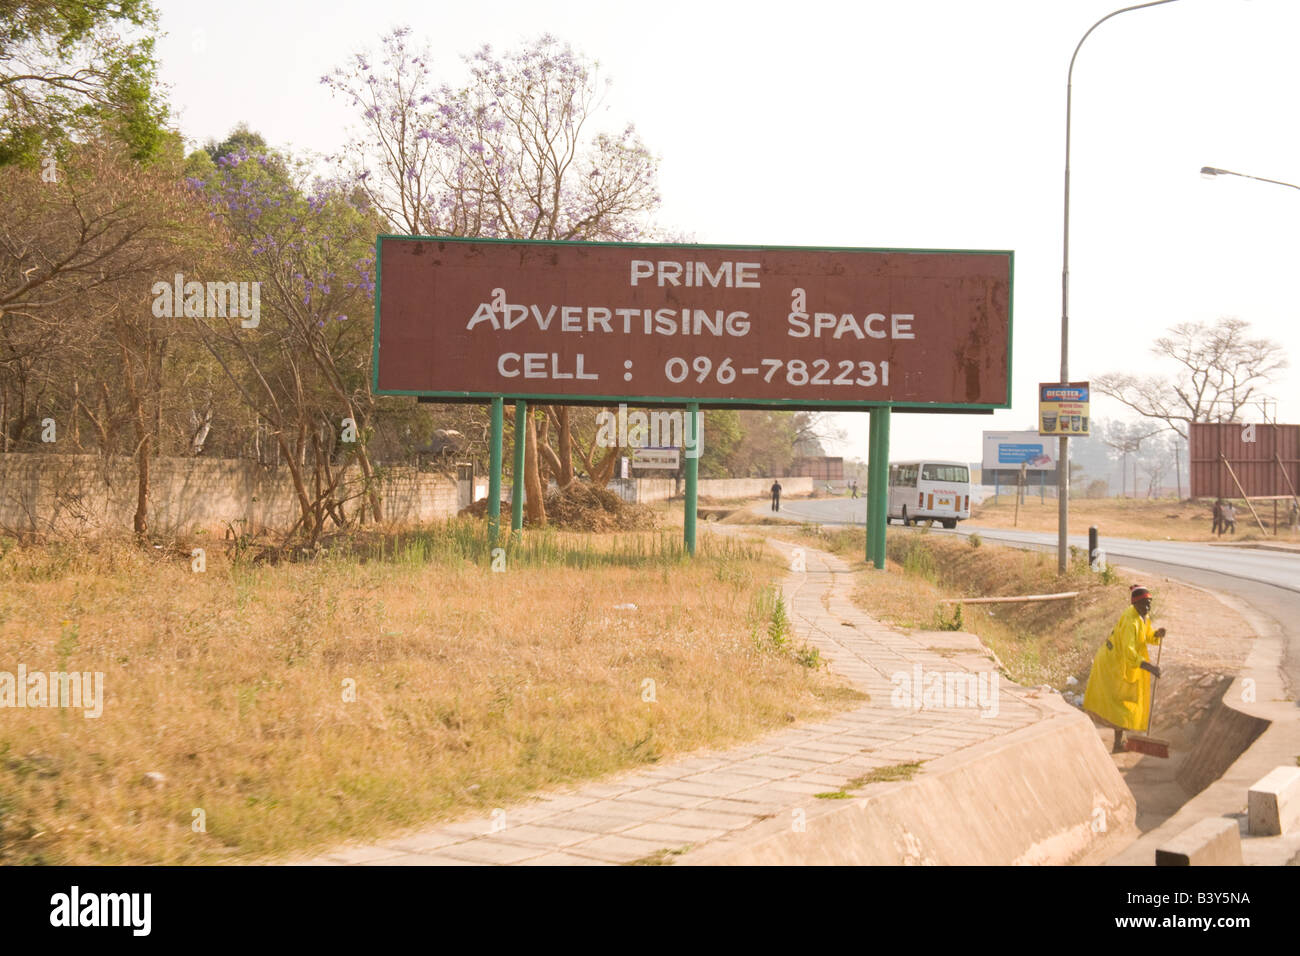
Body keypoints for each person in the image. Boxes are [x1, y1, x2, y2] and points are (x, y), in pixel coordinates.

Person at [1083, 585, 1166, 753]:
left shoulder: (1143, 616)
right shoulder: (1130, 622)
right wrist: (1149, 667)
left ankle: (1119, 742)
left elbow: (1146, 635)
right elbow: (1129, 651)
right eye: (1144, 604)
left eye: (1150, 603)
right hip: (1112, 664)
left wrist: (1156, 634)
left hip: (1122, 663)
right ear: (1135, 604)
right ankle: (1117, 743)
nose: (1148, 607)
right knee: (1119, 702)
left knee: (1123, 702)